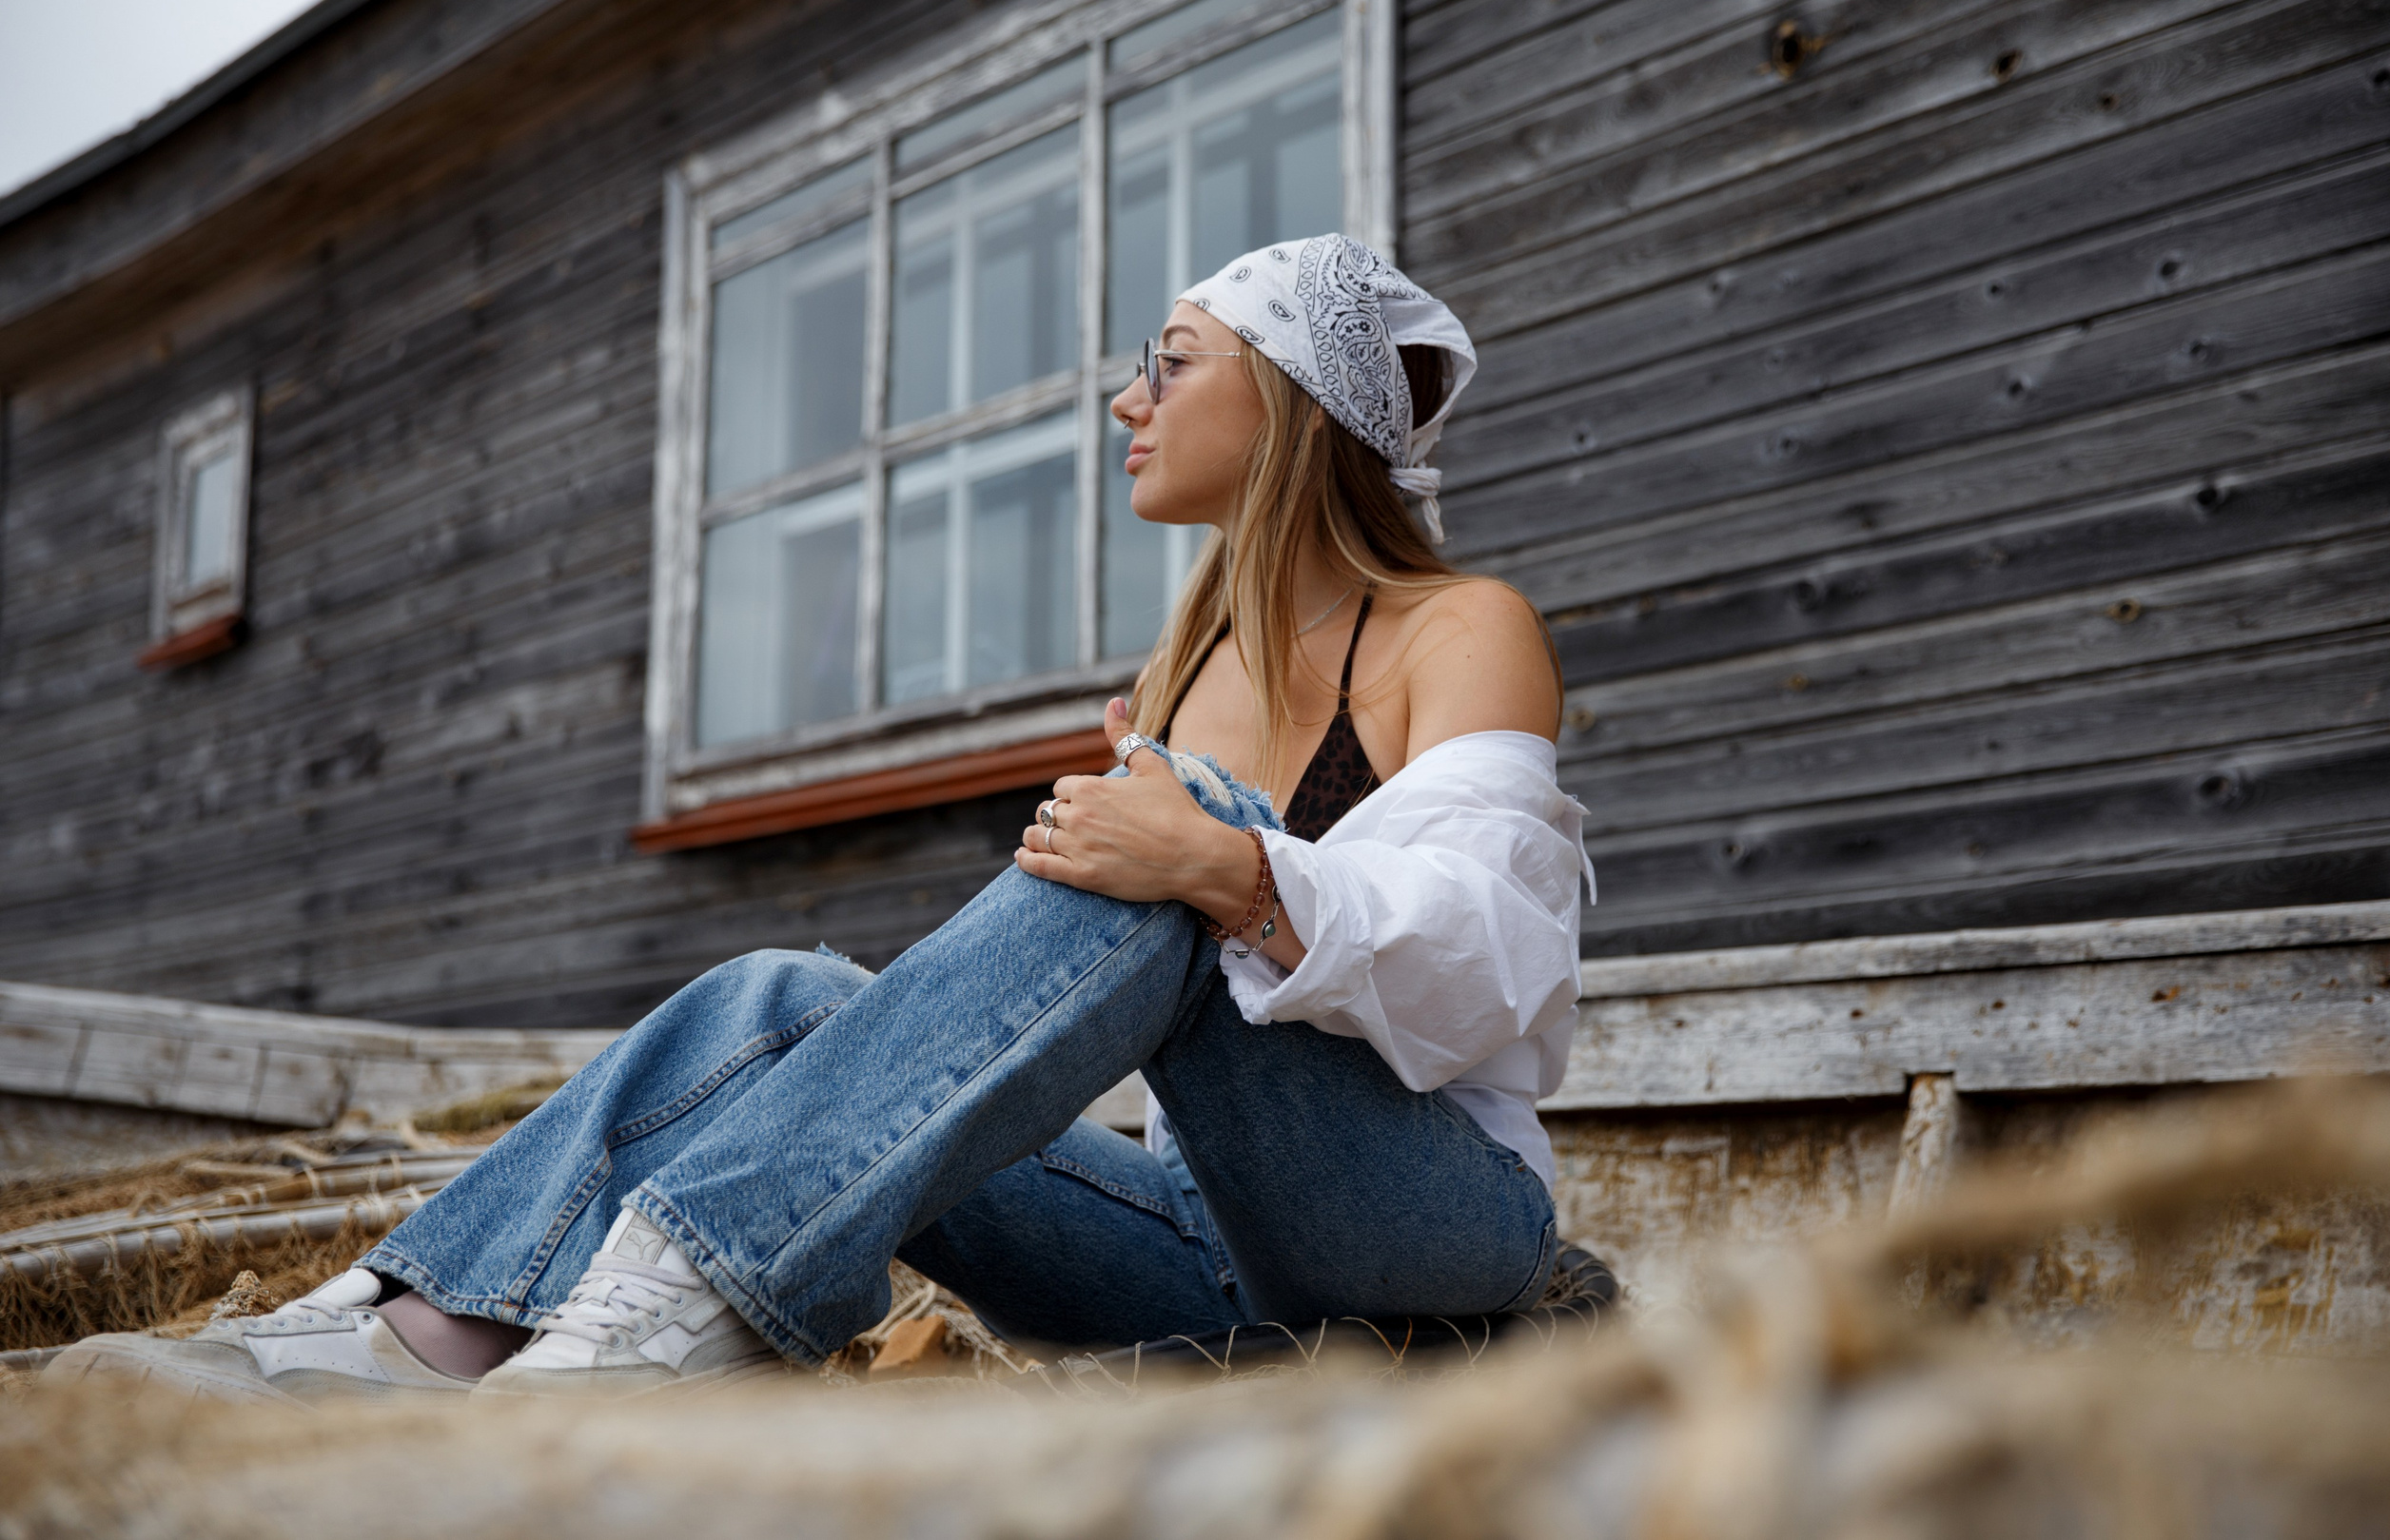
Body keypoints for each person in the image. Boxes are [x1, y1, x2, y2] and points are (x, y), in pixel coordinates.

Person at [46, 234, 1592, 1405]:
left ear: (1297, 400)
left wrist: (1229, 868)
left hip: (1432, 1235)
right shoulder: (1179, 672)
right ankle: (435, 1320)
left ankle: (668, 1322)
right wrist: (1192, 857)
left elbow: (1494, 971)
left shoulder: (1457, 628)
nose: (1127, 397)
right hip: (1199, 1245)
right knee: (782, 1000)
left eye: (1170, 360)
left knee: (1170, 868)